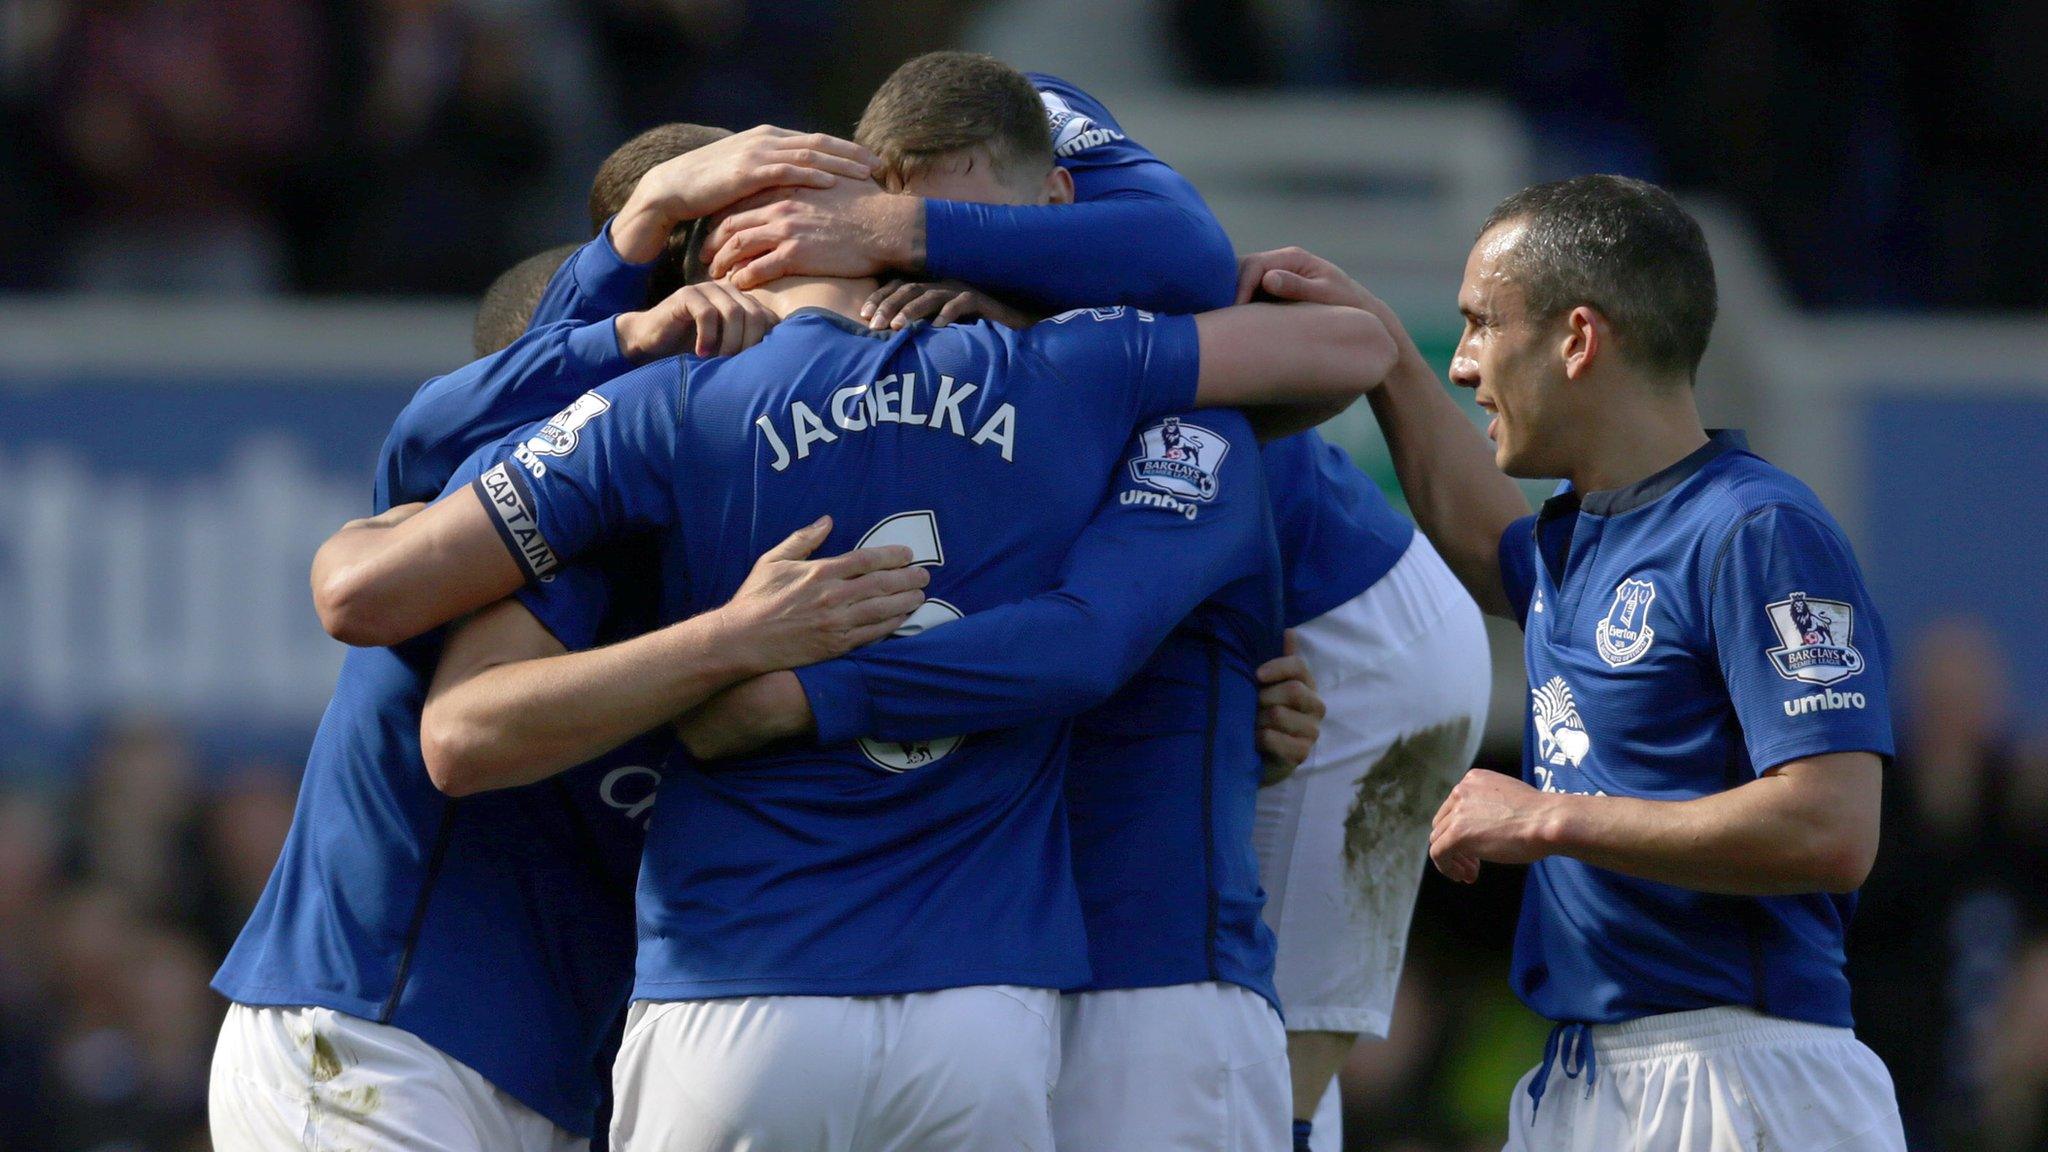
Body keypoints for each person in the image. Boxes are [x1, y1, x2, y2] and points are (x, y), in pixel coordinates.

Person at [300, 60, 1391, 1152]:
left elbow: (371, 584)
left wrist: (770, 676)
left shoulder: (668, 411)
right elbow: (1343, 346)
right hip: (986, 1012)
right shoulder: (1070, 373)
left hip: (735, 998)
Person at [698, 60, 1491, 1152]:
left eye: (975, 216)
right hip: (1194, 648)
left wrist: (905, 230)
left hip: (1349, 620)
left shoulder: (1012, 122)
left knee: (1269, 1057)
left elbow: (1192, 255)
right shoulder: (820, 345)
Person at [207, 131, 901, 1152]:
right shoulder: (511, 524)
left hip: (553, 1085)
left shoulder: (744, 517)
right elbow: (456, 728)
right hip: (379, 1039)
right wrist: (732, 640)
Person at [1240, 174, 1905, 1149]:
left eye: (1478, 324)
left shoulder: (1754, 529)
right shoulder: (1580, 540)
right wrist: (1385, 354)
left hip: (1735, 1078)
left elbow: (1830, 826)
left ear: (1577, 339)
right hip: (1584, 1076)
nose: (1462, 364)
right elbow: (1481, 545)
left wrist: (1545, 816)